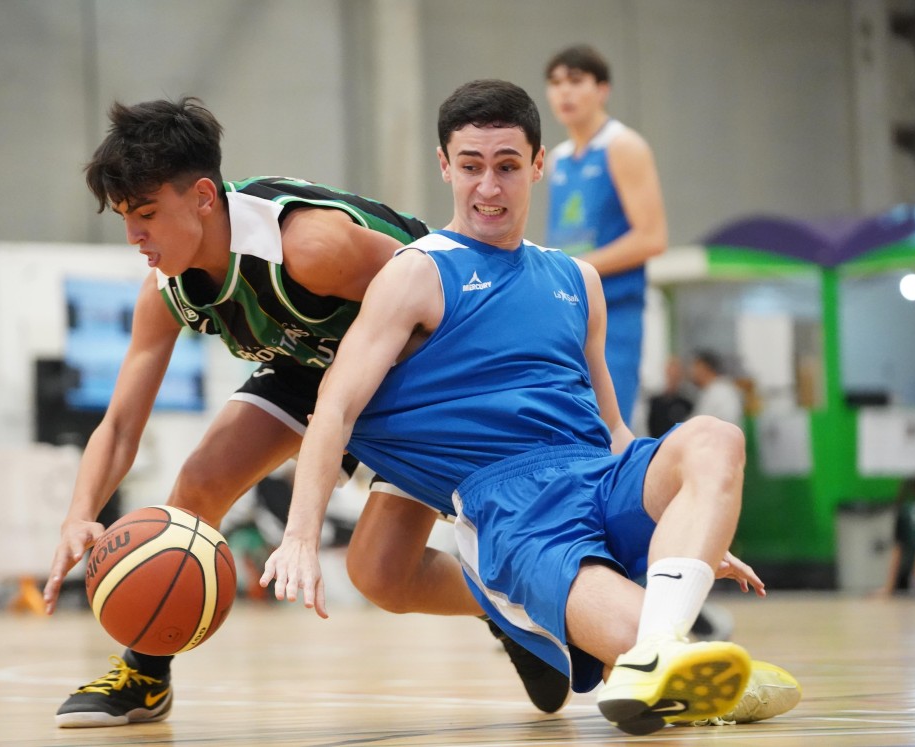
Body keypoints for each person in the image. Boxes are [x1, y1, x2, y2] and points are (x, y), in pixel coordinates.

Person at [261, 79, 800, 736]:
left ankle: (660, 655)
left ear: (539, 166)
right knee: (631, 625)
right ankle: (662, 653)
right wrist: (299, 535)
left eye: (508, 166)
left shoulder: (579, 279)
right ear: (445, 167)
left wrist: (697, 522)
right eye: (471, 166)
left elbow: (614, 428)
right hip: (516, 514)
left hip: (600, 475)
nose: (489, 187)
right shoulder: (417, 273)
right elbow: (335, 409)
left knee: (715, 436)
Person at [42, 97, 558, 727]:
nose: (135, 238)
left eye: (147, 215)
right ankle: (145, 676)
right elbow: (121, 422)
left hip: (419, 364)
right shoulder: (166, 285)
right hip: (308, 364)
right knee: (199, 482)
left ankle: (534, 609)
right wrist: (78, 514)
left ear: (204, 196)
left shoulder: (312, 246)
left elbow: (441, 299)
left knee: (382, 576)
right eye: (125, 218)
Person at [545, 44, 668, 424]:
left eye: (576, 81)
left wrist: (573, 267)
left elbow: (652, 237)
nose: (563, 92)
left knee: (607, 430)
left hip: (615, 314)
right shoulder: (557, 159)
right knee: (561, 427)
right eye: (555, 83)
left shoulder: (623, 146)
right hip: (569, 313)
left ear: (602, 89)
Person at [689, 349, 745, 427]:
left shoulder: (723, 392)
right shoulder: (708, 391)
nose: (692, 372)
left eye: (695, 367)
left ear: (704, 368)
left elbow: (729, 421)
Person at [647, 356, 695, 439]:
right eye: (671, 372)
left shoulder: (687, 402)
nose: (673, 376)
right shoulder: (655, 401)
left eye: (676, 373)